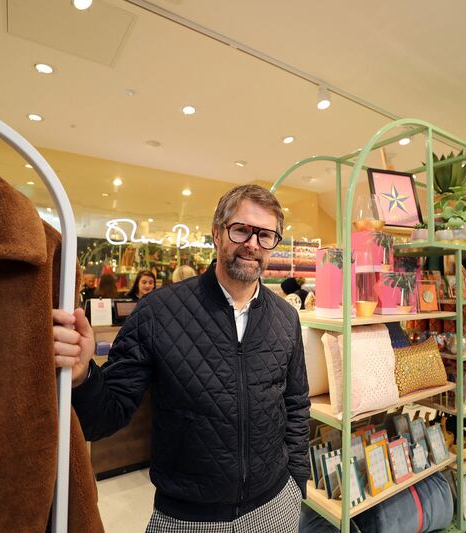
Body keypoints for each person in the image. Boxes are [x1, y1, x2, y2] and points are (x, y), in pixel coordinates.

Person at [52, 184, 309, 532]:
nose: (253, 244)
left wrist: (296, 484)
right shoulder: (158, 312)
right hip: (187, 517)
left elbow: (295, 404)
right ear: (217, 233)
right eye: (241, 230)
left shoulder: (285, 317)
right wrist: (83, 375)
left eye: (265, 235)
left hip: (275, 504)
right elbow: (105, 417)